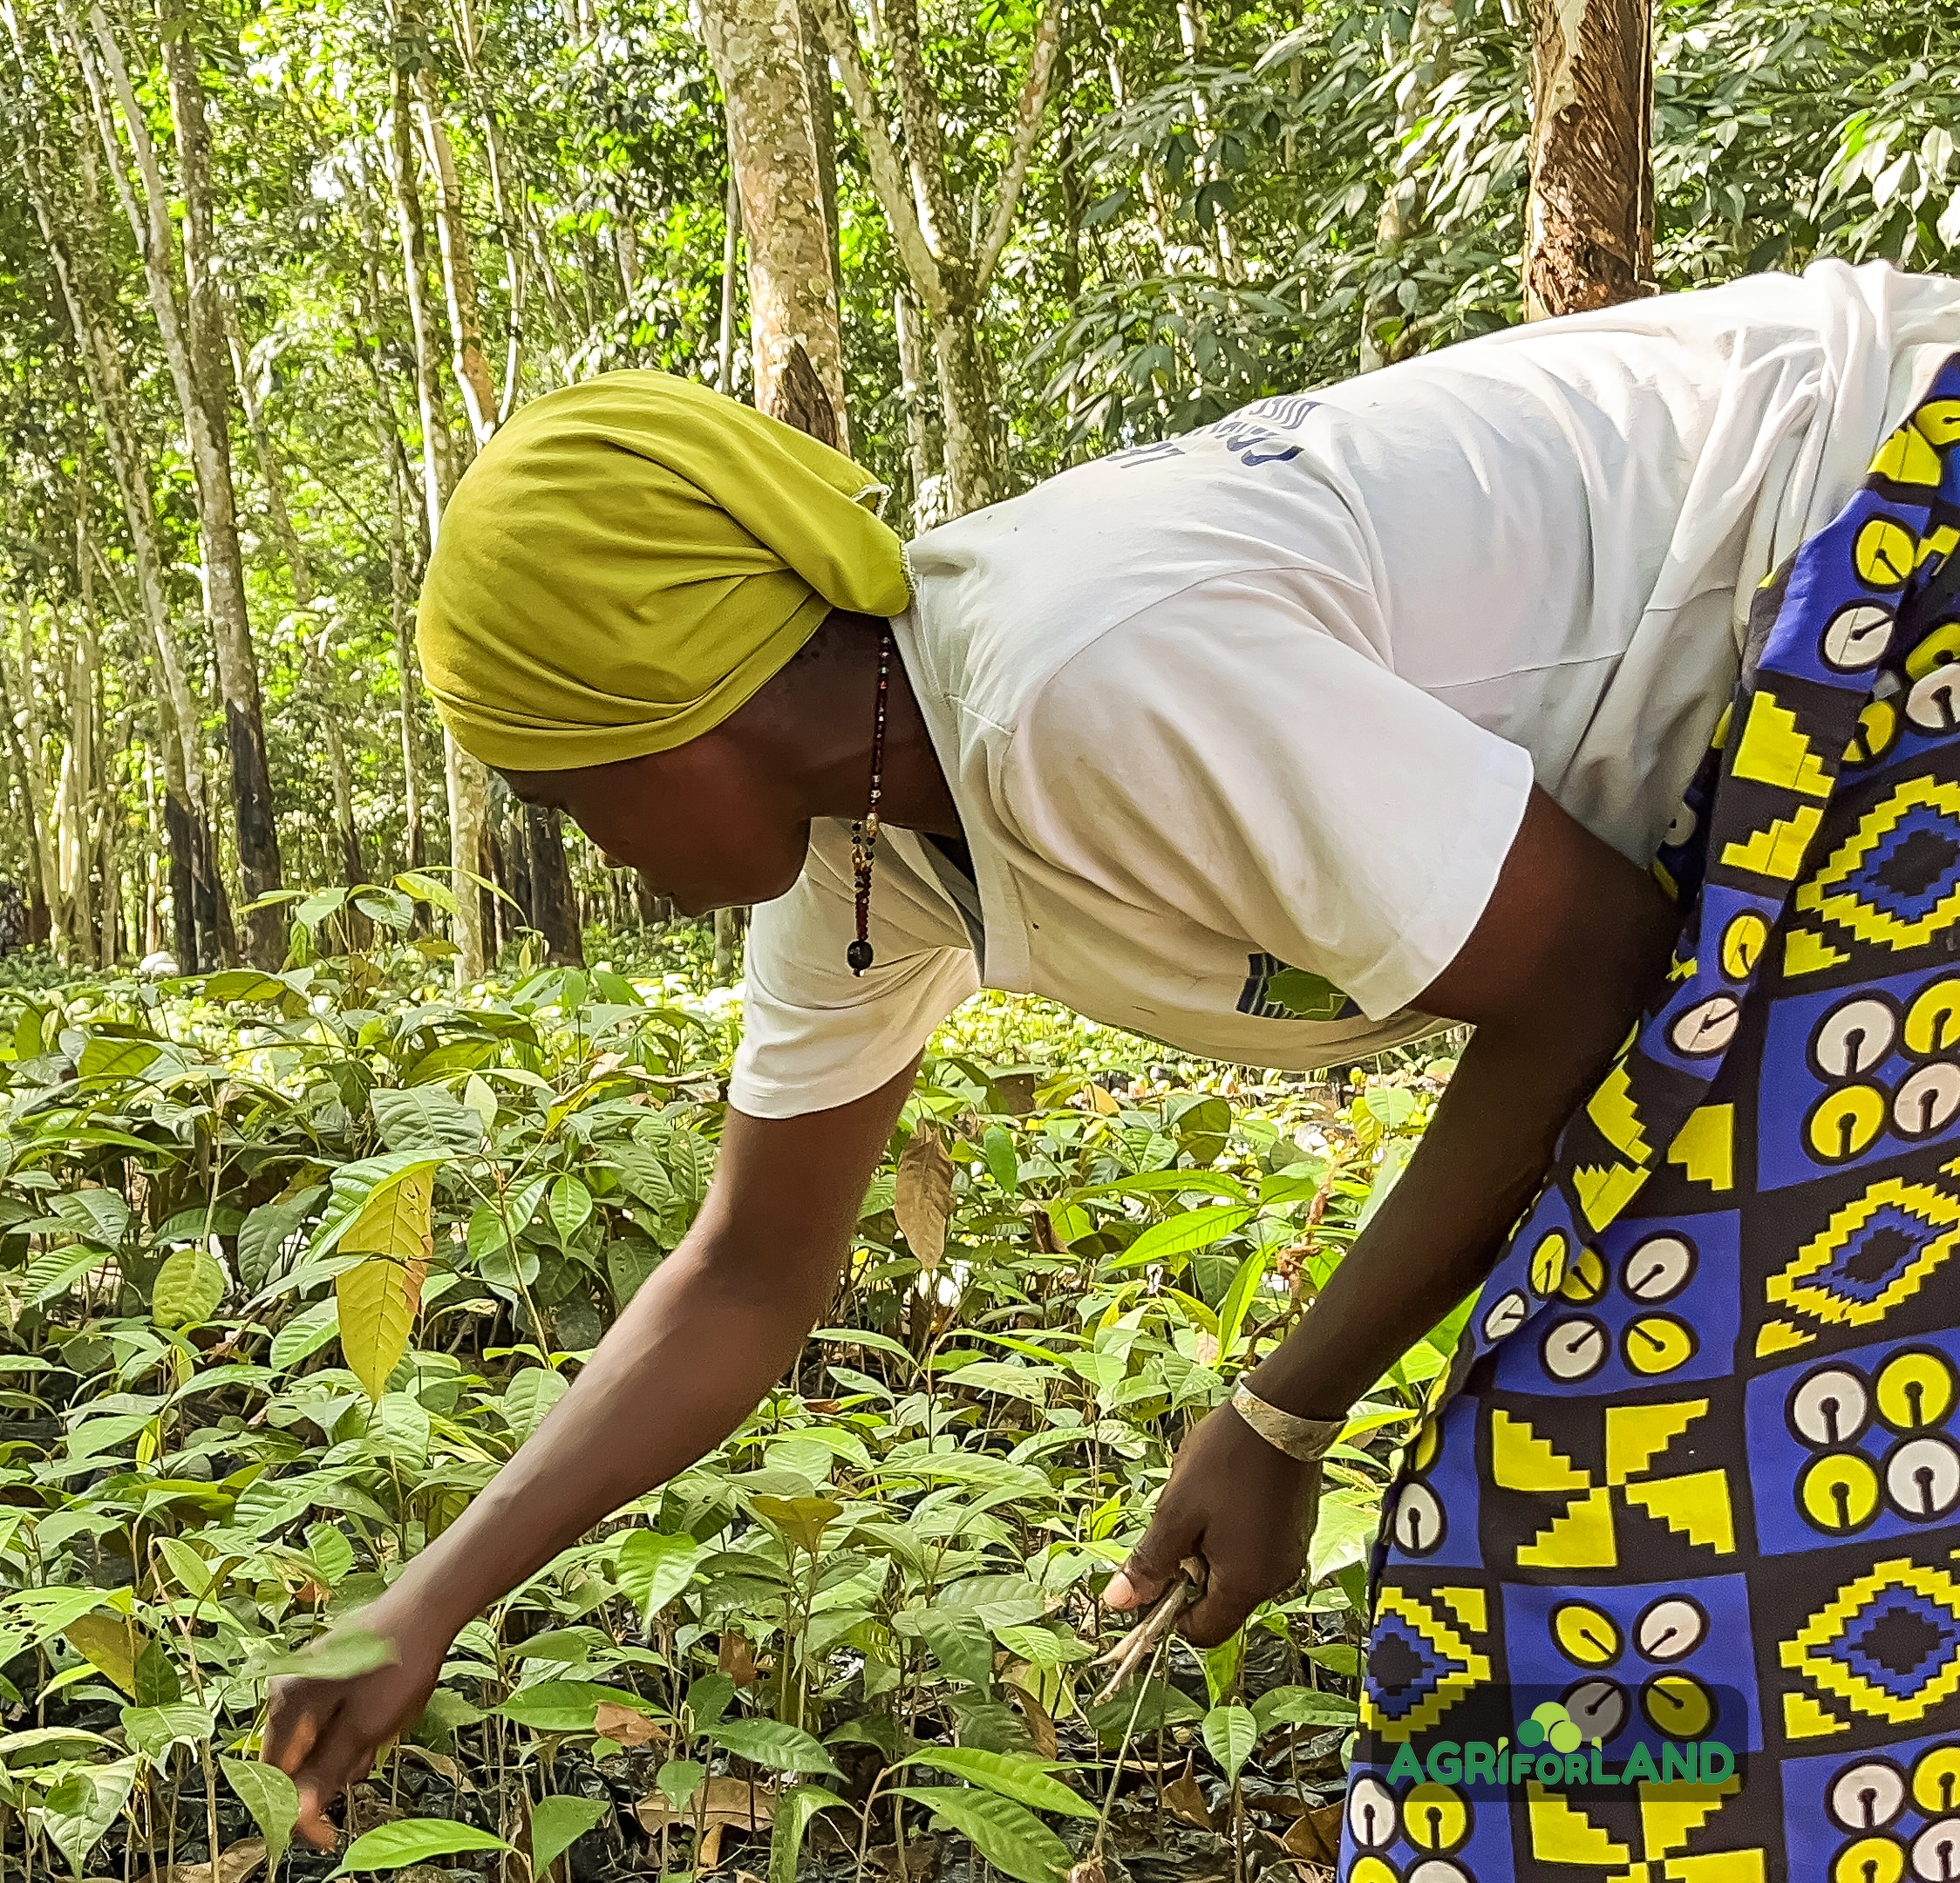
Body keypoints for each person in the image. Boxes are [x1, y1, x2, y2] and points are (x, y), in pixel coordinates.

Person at [261, 260, 1960, 1869]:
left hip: (1893, 554)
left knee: (1626, 1498)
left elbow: (1586, 971)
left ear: (672, 709)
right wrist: (427, 1601)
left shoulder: (1069, 682)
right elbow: (746, 1274)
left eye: (568, 795)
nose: (598, 857)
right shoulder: (864, 855)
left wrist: (1282, 1414)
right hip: (1803, 728)